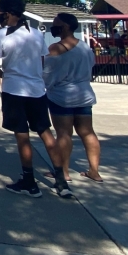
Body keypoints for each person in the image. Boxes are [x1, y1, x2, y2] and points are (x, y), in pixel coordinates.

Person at [0, 0, 72, 199]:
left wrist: (6, 75)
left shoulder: (0, 36)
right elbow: (42, 61)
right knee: (46, 133)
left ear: (8, 13)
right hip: (36, 90)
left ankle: (29, 181)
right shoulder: (36, 34)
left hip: (14, 90)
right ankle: (61, 181)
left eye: (1, 11)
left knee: (22, 135)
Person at [44, 12, 102, 183]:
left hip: (62, 95)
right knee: (87, 132)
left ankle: (64, 171)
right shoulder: (85, 47)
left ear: (67, 26)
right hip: (84, 94)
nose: (54, 27)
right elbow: (91, 65)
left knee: (63, 133)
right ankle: (94, 171)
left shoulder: (56, 48)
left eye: (57, 24)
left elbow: (47, 73)